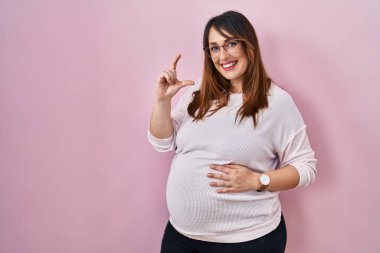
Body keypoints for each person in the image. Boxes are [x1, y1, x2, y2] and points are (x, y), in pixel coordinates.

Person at [148, 10, 317, 253]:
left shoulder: (276, 102)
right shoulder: (199, 90)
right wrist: (162, 101)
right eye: (214, 48)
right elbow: (163, 142)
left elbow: (306, 167)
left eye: (231, 43)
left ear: (249, 45)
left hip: (246, 242)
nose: (223, 55)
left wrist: (258, 180)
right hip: (181, 237)